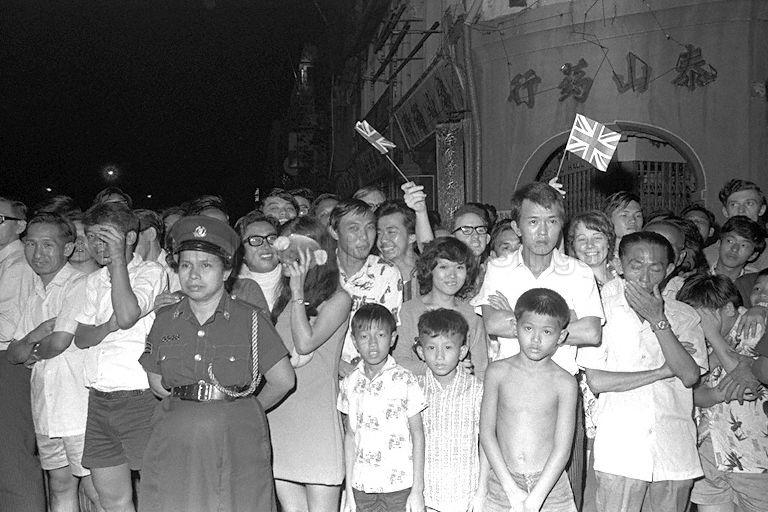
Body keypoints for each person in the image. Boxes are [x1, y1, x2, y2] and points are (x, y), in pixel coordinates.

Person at [138, 215, 295, 512]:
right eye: (186, 265)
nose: (193, 275)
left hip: (236, 438)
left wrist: (242, 408)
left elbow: (284, 379)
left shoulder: (250, 319)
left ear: (226, 271)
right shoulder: (164, 319)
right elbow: (157, 384)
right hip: (175, 439)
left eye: (205, 265)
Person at [577, 231, 707, 512]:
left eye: (656, 267)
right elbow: (598, 381)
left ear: (670, 269)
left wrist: (658, 319)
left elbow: (689, 375)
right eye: (636, 266)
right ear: (619, 265)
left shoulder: (684, 316)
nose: (645, 277)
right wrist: (661, 372)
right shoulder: (600, 313)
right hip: (622, 450)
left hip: (673, 450)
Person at [73, 202, 167, 512]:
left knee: (157, 493)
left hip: (139, 397)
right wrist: (109, 324)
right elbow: (83, 338)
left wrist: (116, 265)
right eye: (91, 237)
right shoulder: (92, 282)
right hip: (100, 398)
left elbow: (127, 315)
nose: (97, 245)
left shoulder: (150, 271)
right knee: (112, 500)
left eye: (106, 237)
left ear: (129, 237)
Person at [5, 212, 100, 511]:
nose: (38, 253)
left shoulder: (79, 284)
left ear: (68, 248)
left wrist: (32, 347)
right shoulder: (35, 292)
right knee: (59, 486)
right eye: (31, 244)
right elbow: (13, 353)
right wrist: (37, 334)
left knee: (96, 490)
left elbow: (59, 342)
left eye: (48, 244)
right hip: (46, 407)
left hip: (78, 406)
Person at [267, 216, 351, 512]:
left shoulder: (339, 299)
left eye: (296, 251)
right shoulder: (284, 298)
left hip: (316, 419)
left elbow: (305, 342)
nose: (288, 259)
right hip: (281, 416)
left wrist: (298, 291)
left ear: (318, 254)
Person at [676, 274, 768, 512]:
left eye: (702, 317)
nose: (696, 324)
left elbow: (748, 384)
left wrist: (714, 337)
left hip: (754, 457)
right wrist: (717, 394)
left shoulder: (756, 327)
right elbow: (692, 392)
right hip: (710, 449)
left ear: (728, 308)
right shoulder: (697, 337)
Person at [480, 288, 578, 512]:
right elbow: (486, 433)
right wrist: (511, 489)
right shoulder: (497, 372)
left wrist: (535, 499)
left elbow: (563, 448)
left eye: (546, 332)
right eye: (528, 328)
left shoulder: (565, 382)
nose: (535, 339)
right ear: (515, 328)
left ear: (560, 336)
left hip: (551, 487)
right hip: (503, 483)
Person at [337, 304, 426, 512]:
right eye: (365, 336)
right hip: (362, 487)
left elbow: (418, 434)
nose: (373, 344)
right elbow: (350, 437)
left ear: (393, 338)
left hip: (400, 487)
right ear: (354, 341)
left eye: (380, 335)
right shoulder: (350, 383)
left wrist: (417, 489)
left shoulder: (405, 379)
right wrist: (349, 491)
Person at [0, 197, 46, 512]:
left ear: (19, 226)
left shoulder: (16, 266)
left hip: (8, 363)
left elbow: (6, 327)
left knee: (11, 453)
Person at [415, 309, 486, 512]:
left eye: (447, 347)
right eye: (431, 348)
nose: (439, 356)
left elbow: (486, 443)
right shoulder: (413, 390)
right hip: (426, 497)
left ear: (462, 351)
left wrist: (481, 491)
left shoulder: (476, 389)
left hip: (466, 496)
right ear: (421, 351)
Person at [394, 237, 489, 378]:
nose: (452, 275)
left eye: (459, 267)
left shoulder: (472, 314)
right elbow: (399, 362)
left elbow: (480, 369)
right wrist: (444, 368)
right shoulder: (409, 311)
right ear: (429, 269)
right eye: (444, 267)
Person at [329, 199, 402, 372]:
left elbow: (385, 333)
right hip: (322, 369)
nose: (363, 236)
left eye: (369, 228)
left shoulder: (386, 272)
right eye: (353, 228)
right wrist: (335, 364)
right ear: (334, 231)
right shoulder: (319, 269)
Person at [705, 179, 768, 271]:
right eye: (734, 204)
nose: (741, 210)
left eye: (749, 203)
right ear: (725, 212)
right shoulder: (706, 256)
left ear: (761, 210)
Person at [233, 211, 281, 311]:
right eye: (255, 240)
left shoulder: (296, 279)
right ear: (241, 250)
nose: (266, 245)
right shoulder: (231, 289)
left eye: (272, 238)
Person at [376, 200, 419, 302]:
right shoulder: (372, 275)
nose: (382, 240)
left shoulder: (429, 274)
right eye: (379, 233)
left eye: (391, 232)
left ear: (412, 237)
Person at [567, 210, 618, 289]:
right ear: (573, 245)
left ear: (609, 241)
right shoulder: (570, 285)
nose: (590, 245)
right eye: (582, 239)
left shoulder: (623, 275)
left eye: (597, 238)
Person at [710, 216, 766, 281]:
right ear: (719, 243)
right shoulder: (699, 275)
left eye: (743, 245)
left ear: (753, 255)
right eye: (730, 241)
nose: (734, 249)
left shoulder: (757, 283)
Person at [602, 191, 643, 266]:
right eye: (624, 215)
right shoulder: (599, 256)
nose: (633, 220)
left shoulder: (647, 254)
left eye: (638, 215)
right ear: (608, 218)